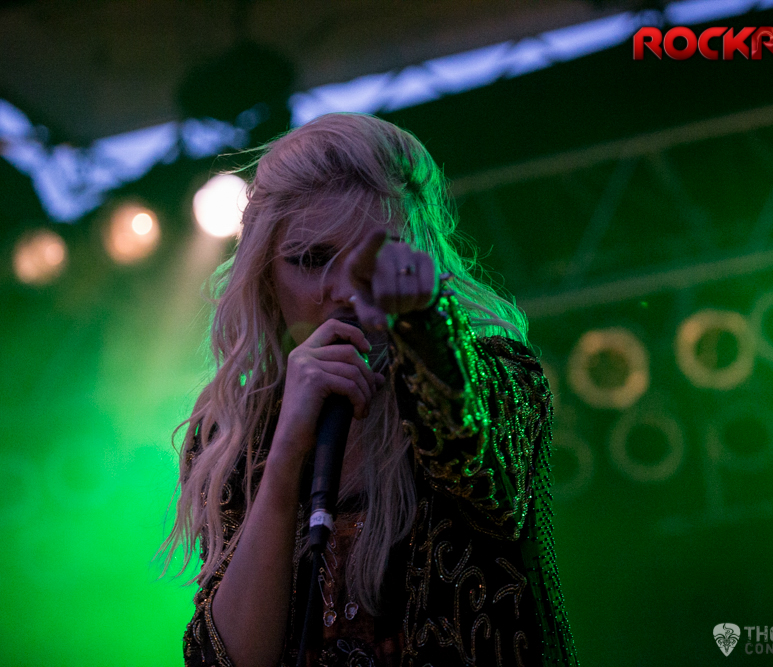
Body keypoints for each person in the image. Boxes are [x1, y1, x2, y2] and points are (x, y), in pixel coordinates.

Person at [163, 112, 577, 667]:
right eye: (312, 259)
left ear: (418, 262)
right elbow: (226, 660)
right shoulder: (230, 434)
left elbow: (475, 457)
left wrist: (421, 320)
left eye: (373, 260)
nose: (343, 289)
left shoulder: (501, 375)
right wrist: (285, 456)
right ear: (265, 274)